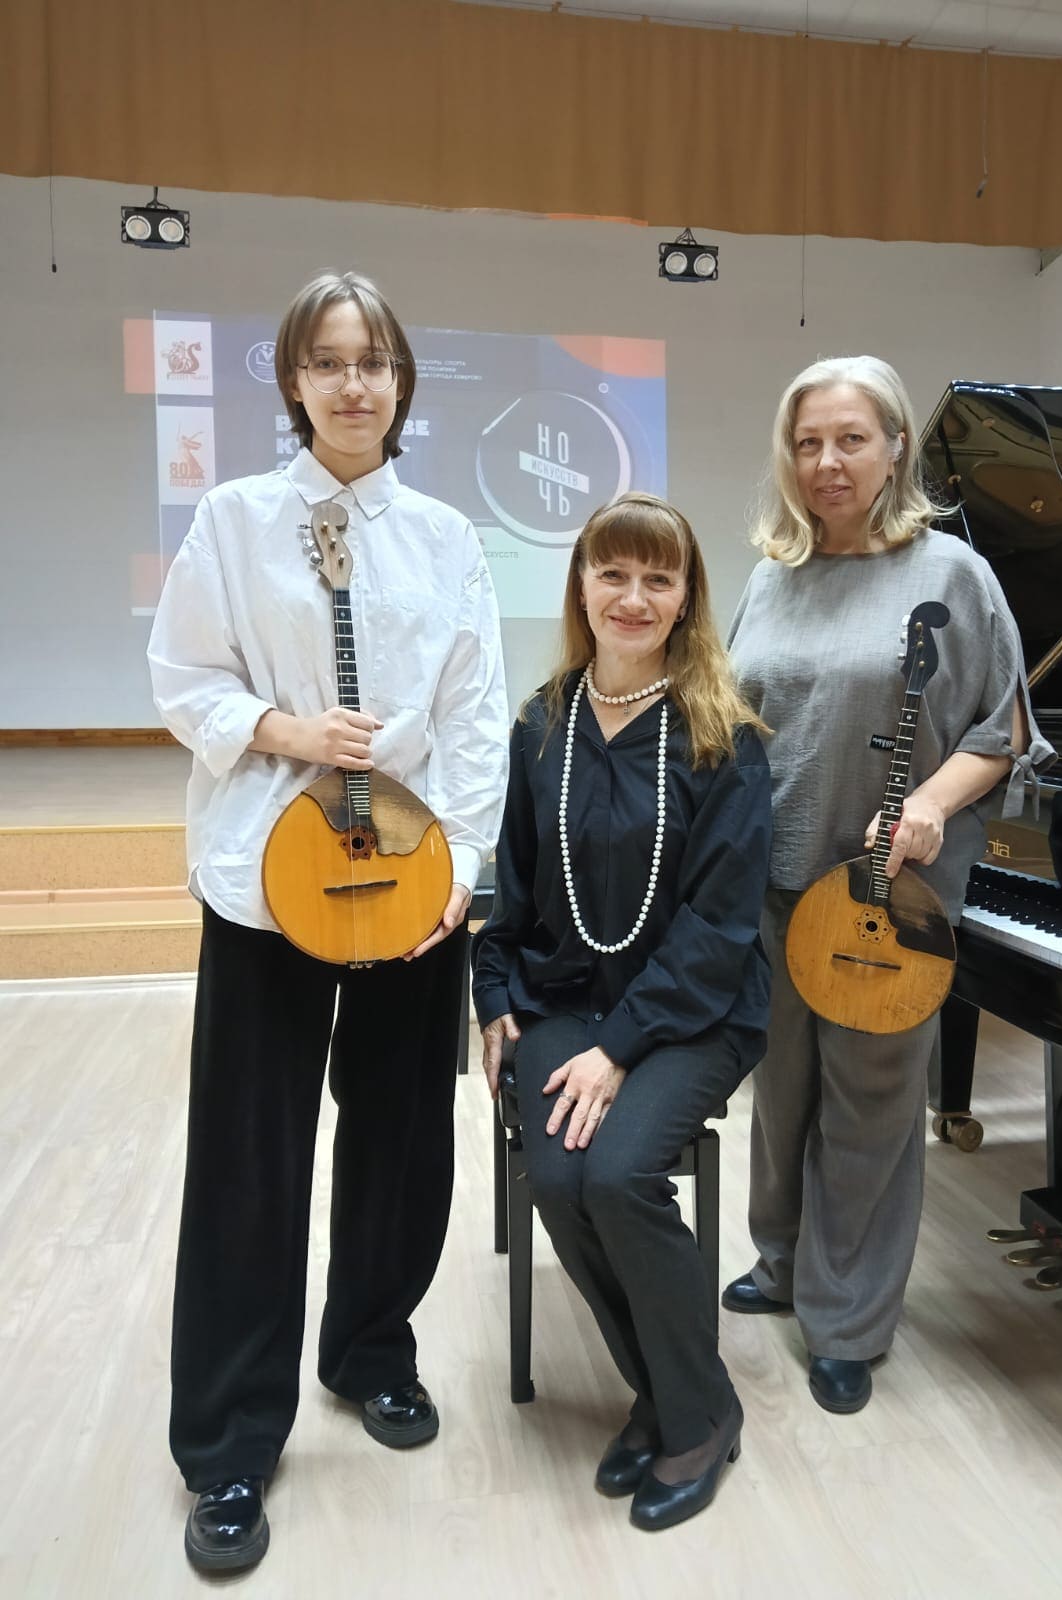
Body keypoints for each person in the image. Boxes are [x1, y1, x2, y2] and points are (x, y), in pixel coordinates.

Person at [147, 271, 508, 1573]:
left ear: (402, 382)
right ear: (294, 382)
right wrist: (285, 729)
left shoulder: (449, 538)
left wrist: (466, 864)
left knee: (403, 1134)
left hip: (412, 875)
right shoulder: (235, 519)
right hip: (267, 874)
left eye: (375, 361)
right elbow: (183, 674)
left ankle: (370, 1350)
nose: (354, 384)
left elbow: (475, 711)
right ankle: (230, 1440)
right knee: (250, 1154)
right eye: (329, 361)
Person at [722, 356, 1054, 1415]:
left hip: (887, 896)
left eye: (851, 439)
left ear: (897, 446)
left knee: (868, 1104)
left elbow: (1005, 730)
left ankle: (849, 1321)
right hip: (775, 880)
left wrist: (931, 805)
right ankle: (781, 1262)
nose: (827, 462)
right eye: (808, 442)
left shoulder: (952, 573)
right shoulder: (772, 575)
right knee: (781, 1089)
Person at [472, 492, 772, 1531]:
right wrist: (492, 996)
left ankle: (696, 1415)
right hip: (564, 997)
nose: (633, 597)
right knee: (558, 1173)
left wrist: (619, 1049)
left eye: (658, 578)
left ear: (687, 597)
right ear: (581, 586)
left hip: (694, 1012)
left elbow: (719, 928)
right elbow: (512, 894)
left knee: (619, 1172)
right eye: (613, 573)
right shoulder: (542, 722)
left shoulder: (725, 736)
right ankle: (667, 1389)